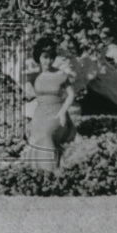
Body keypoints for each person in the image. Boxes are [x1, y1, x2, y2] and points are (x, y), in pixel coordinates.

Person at [23, 37, 76, 169]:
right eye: (45, 57)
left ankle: (50, 169)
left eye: (51, 57)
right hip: (40, 113)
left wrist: (63, 113)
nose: (49, 61)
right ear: (38, 57)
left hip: (57, 113)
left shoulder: (60, 74)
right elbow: (31, 97)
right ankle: (37, 169)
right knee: (34, 135)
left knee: (47, 133)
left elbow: (71, 94)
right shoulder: (33, 76)